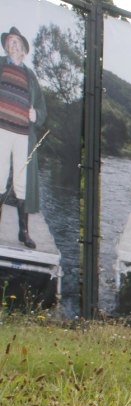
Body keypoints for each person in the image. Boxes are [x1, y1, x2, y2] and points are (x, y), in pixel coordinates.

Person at [0, 27, 47, 249]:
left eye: (16, 42)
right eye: (9, 42)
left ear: (24, 51)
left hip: (22, 135)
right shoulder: (0, 65)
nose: (12, 45)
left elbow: (42, 110)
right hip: (1, 130)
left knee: (21, 183)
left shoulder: (31, 77)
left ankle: (23, 231)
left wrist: (35, 114)